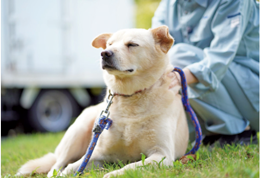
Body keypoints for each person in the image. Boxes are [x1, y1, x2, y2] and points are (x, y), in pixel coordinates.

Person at [152, 0, 259, 146]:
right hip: (208, 90)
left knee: (178, 55)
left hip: (251, 91)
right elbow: (155, 46)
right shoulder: (170, 3)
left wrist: (177, 78)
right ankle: (215, 129)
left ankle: (236, 132)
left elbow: (220, 58)